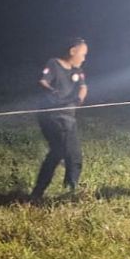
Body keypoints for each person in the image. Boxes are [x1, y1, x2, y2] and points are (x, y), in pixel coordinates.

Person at [29, 37, 88, 202]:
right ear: (72, 51)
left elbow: (83, 86)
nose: (84, 58)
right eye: (82, 54)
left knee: (58, 152)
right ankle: (71, 191)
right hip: (52, 116)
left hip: (69, 117)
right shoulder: (54, 64)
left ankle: (38, 193)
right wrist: (52, 92)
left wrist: (79, 99)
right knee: (72, 153)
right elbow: (42, 82)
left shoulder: (77, 70)